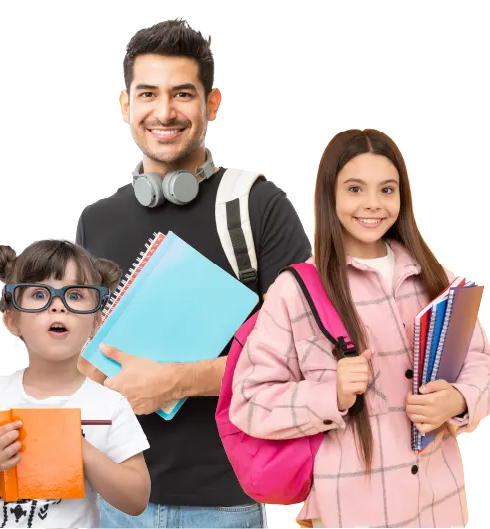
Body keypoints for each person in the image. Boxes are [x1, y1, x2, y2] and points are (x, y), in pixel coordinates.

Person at [74, 16, 312, 529]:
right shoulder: (96, 221)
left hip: (224, 502)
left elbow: (304, 360)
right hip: (118, 500)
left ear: (212, 103)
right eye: (147, 94)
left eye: (182, 94)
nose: (164, 112)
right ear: (125, 104)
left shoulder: (257, 207)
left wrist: (176, 381)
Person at [228, 128, 490, 528]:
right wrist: (330, 394)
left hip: (439, 504)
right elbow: (249, 404)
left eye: (387, 190)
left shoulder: (430, 274)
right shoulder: (296, 291)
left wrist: (458, 400)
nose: (373, 204)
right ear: (330, 195)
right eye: (355, 189)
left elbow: (481, 364)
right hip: (351, 512)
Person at [0, 239, 151, 528]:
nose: (58, 307)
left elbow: (137, 499)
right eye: (40, 294)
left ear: (96, 322)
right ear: (12, 320)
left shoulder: (110, 405)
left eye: (75, 296)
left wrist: (83, 451)